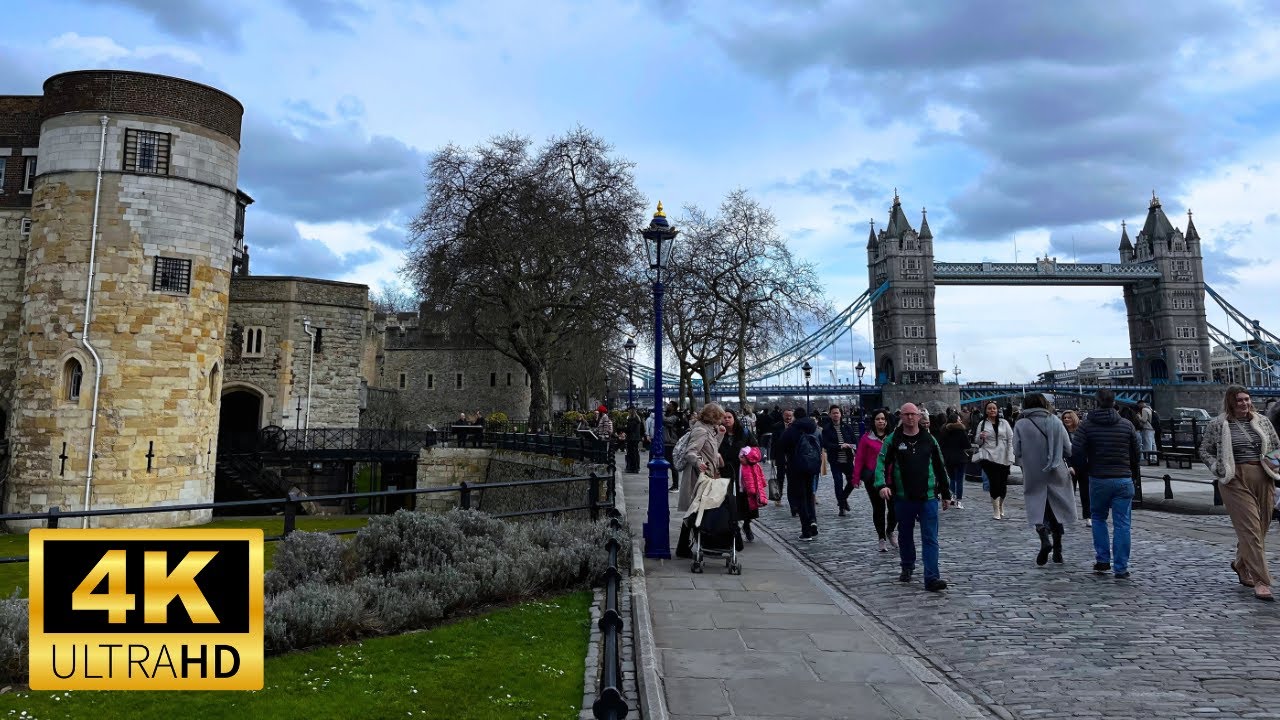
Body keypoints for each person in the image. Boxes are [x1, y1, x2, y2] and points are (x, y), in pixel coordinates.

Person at [1199, 386, 1280, 601]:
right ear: (1231, 402)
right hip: (1234, 479)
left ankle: (1240, 564)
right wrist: (1218, 468)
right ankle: (1261, 581)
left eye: (1247, 399)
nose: (1244, 403)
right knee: (1250, 529)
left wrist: (1274, 468)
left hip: (1263, 476)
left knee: (1261, 528)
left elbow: (1275, 445)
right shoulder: (1218, 424)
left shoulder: (1263, 421)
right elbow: (1204, 450)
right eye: (1239, 400)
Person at [874, 403, 951, 592]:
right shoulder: (893, 440)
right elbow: (881, 463)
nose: (910, 418)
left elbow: (940, 466)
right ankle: (907, 565)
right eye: (906, 414)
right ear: (900, 416)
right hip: (903, 497)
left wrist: (946, 493)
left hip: (928, 497)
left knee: (930, 538)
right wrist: (882, 485)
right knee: (905, 535)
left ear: (919, 417)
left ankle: (932, 578)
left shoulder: (929, 440)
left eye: (913, 414)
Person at [1072, 388, 1141, 579]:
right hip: (1123, 478)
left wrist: (1085, 469)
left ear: (1096, 402)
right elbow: (1136, 453)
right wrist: (1131, 473)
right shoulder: (1126, 425)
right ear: (1114, 403)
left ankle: (1103, 560)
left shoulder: (1086, 426)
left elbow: (1076, 452)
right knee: (1122, 524)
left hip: (1099, 478)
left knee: (1098, 518)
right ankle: (1121, 567)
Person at [1013, 393, 1076, 566]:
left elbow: (1017, 450)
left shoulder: (1021, 424)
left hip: (1034, 472)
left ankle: (1044, 538)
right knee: (1057, 510)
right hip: (1057, 470)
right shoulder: (1055, 421)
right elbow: (1068, 449)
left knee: (1037, 507)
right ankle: (1058, 549)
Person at [674, 403, 726, 558]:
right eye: (720, 417)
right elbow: (691, 452)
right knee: (696, 511)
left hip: (705, 475)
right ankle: (688, 546)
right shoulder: (701, 430)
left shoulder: (708, 429)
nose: (722, 420)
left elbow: (711, 450)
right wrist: (698, 463)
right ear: (713, 416)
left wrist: (720, 436)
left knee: (696, 511)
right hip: (697, 476)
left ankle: (686, 546)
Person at [853, 409, 897, 551]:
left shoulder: (893, 437)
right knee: (879, 508)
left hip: (891, 478)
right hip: (873, 478)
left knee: (894, 508)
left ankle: (890, 530)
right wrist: (856, 478)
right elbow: (859, 458)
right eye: (878, 419)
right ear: (873, 421)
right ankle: (881, 537)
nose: (880, 421)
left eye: (883, 419)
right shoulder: (866, 438)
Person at [779, 407, 821, 540]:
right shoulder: (814, 428)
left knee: (801, 498)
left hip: (796, 467)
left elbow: (781, 446)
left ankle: (806, 530)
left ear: (795, 417)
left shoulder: (792, 430)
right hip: (812, 465)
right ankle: (813, 520)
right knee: (810, 494)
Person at [719, 408, 759, 541]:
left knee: (745, 500)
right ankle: (733, 528)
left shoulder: (744, 433)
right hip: (725, 471)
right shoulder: (718, 433)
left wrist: (747, 458)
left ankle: (747, 525)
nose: (726, 419)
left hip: (743, 471)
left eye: (729, 417)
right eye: (724, 417)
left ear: (734, 418)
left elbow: (755, 448)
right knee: (729, 500)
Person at [973, 400, 1015, 519]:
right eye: (989, 408)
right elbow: (977, 441)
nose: (992, 410)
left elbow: (1011, 439)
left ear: (997, 410)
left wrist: (1011, 455)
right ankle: (996, 509)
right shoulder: (982, 423)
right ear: (986, 411)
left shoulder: (1004, 423)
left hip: (1004, 456)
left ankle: (1001, 505)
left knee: (1003, 484)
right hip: (989, 456)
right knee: (994, 482)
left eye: (994, 408)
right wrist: (981, 437)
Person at [821, 405, 858, 516]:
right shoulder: (826, 429)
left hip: (848, 459)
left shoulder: (847, 427)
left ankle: (843, 498)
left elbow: (855, 442)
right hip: (835, 460)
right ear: (830, 415)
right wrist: (839, 446)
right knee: (838, 482)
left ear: (841, 414)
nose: (836, 415)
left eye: (837, 413)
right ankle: (842, 507)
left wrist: (852, 447)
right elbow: (826, 444)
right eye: (833, 413)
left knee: (853, 481)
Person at [1061, 410, 1090, 527]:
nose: (1066, 419)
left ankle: (1088, 516)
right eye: (1064, 418)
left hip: (1083, 465)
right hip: (1069, 466)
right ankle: (1069, 516)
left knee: (1086, 493)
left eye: (1069, 417)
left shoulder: (1082, 432)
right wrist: (1068, 465)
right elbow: (1061, 450)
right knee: (1069, 493)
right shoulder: (1062, 432)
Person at [939, 411, 970, 509]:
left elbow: (941, 445)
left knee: (952, 478)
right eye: (959, 419)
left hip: (948, 458)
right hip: (960, 458)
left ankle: (952, 497)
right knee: (959, 480)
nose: (961, 421)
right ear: (956, 421)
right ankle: (958, 501)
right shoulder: (961, 431)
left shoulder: (944, 430)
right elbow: (967, 445)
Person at [770, 408, 794, 505]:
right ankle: (778, 497)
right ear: (783, 416)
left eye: (790, 416)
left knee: (792, 479)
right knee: (780, 478)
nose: (788, 417)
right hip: (781, 456)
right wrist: (772, 457)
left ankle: (792, 499)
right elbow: (773, 443)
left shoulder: (796, 426)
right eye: (786, 415)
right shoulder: (777, 426)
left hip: (793, 457)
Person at [663, 401, 683, 491]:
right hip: (666, 442)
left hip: (672, 442)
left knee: (673, 465)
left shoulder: (675, 416)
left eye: (669, 405)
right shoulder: (667, 415)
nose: (667, 406)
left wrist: (659, 413)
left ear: (674, 407)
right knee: (669, 464)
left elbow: (667, 420)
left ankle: (675, 486)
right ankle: (673, 485)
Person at [622, 406, 643, 473]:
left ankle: (632, 467)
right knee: (636, 453)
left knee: (631, 453)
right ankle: (636, 467)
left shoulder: (631, 420)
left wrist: (624, 428)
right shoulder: (638, 419)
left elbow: (629, 429)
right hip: (636, 438)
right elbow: (642, 429)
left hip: (631, 438)